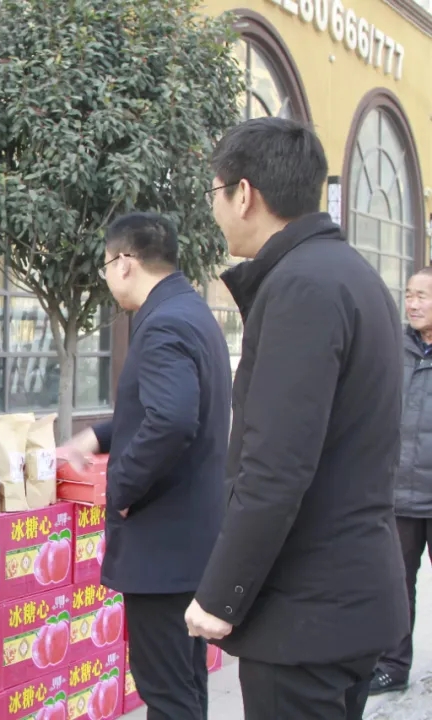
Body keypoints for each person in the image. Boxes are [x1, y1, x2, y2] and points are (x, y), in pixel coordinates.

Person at [185, 117, 408, 719]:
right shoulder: (352, 274)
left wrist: (221, 595)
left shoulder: (300, 287)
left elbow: (276, 466)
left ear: (244, 194)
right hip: (345, 599)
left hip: (307, 610)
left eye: (215, 192)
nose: (215, 210)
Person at [60, 213, 231, 719]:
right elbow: (163, 410)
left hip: (163, 547)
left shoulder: (163, 325)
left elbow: (172, 420)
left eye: (105, 266)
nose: (107, 278)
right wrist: (98, 435)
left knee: (167, 691)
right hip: (191, 540)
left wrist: (122, 487)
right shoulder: (190, 310)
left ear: (125, 262)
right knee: (186, 682)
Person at [369, 266, 432, 695]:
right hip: (400, 493)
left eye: (422, 296)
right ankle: (392, 665)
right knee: (396, 584)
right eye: (409, 294)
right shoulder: (395, 347)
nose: (412, 303)